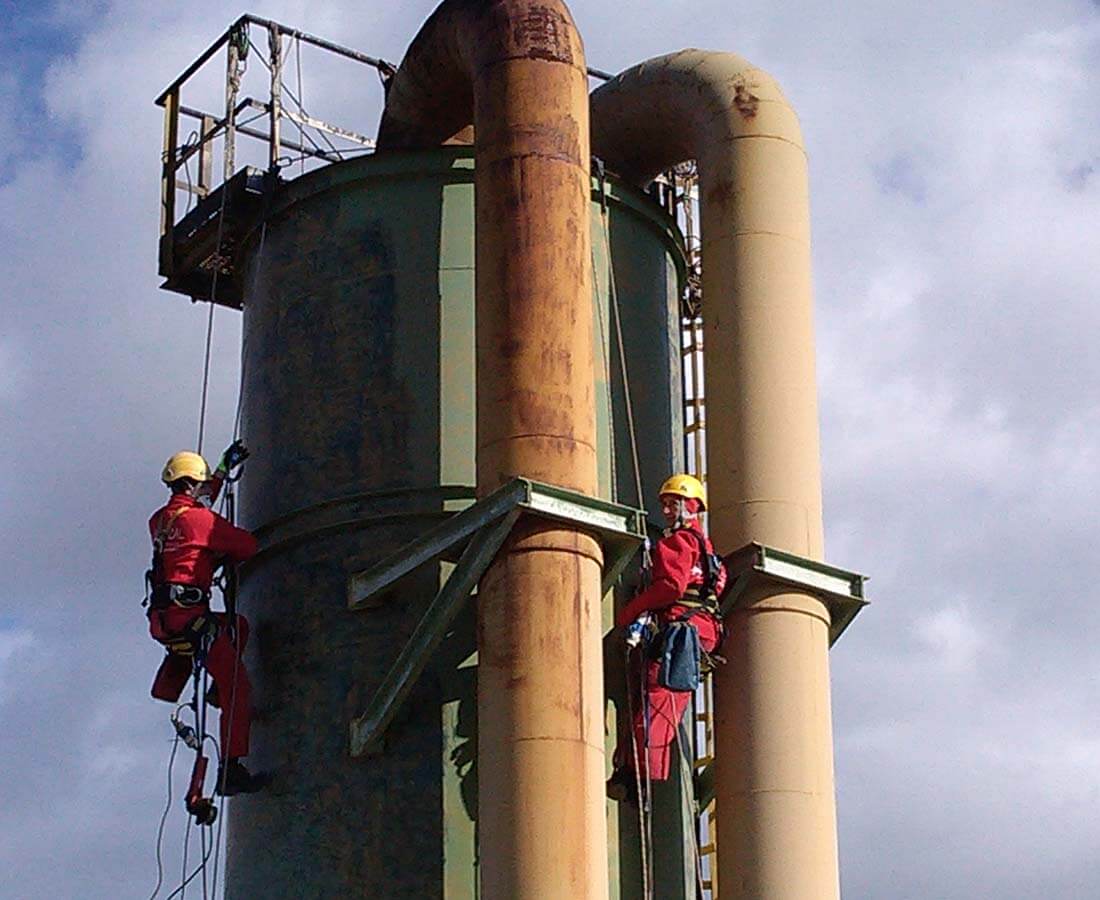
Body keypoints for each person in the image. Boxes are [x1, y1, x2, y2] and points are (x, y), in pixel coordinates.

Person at [147, 442, 266, 795]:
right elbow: (246, 546)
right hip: (193, 621)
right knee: (237, 686)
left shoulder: (160, 522)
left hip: (165, 620)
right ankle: (232, 768)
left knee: (238, 627)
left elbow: (193, 511)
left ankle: (212, 692)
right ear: (194, 483)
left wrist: (219, 472)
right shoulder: (203, 522)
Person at [607, 473, 727, 801]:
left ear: (690, 507)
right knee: (665, 703)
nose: (667, 511)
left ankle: (637, 773)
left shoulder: (677, 543)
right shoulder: (710, 554)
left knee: (656, 698)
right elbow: (712, 587)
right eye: (665, 505)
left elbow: (671, 586)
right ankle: (635, 769)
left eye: (673, 504)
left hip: (680, 633)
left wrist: (630, 612)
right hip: (701, 634)